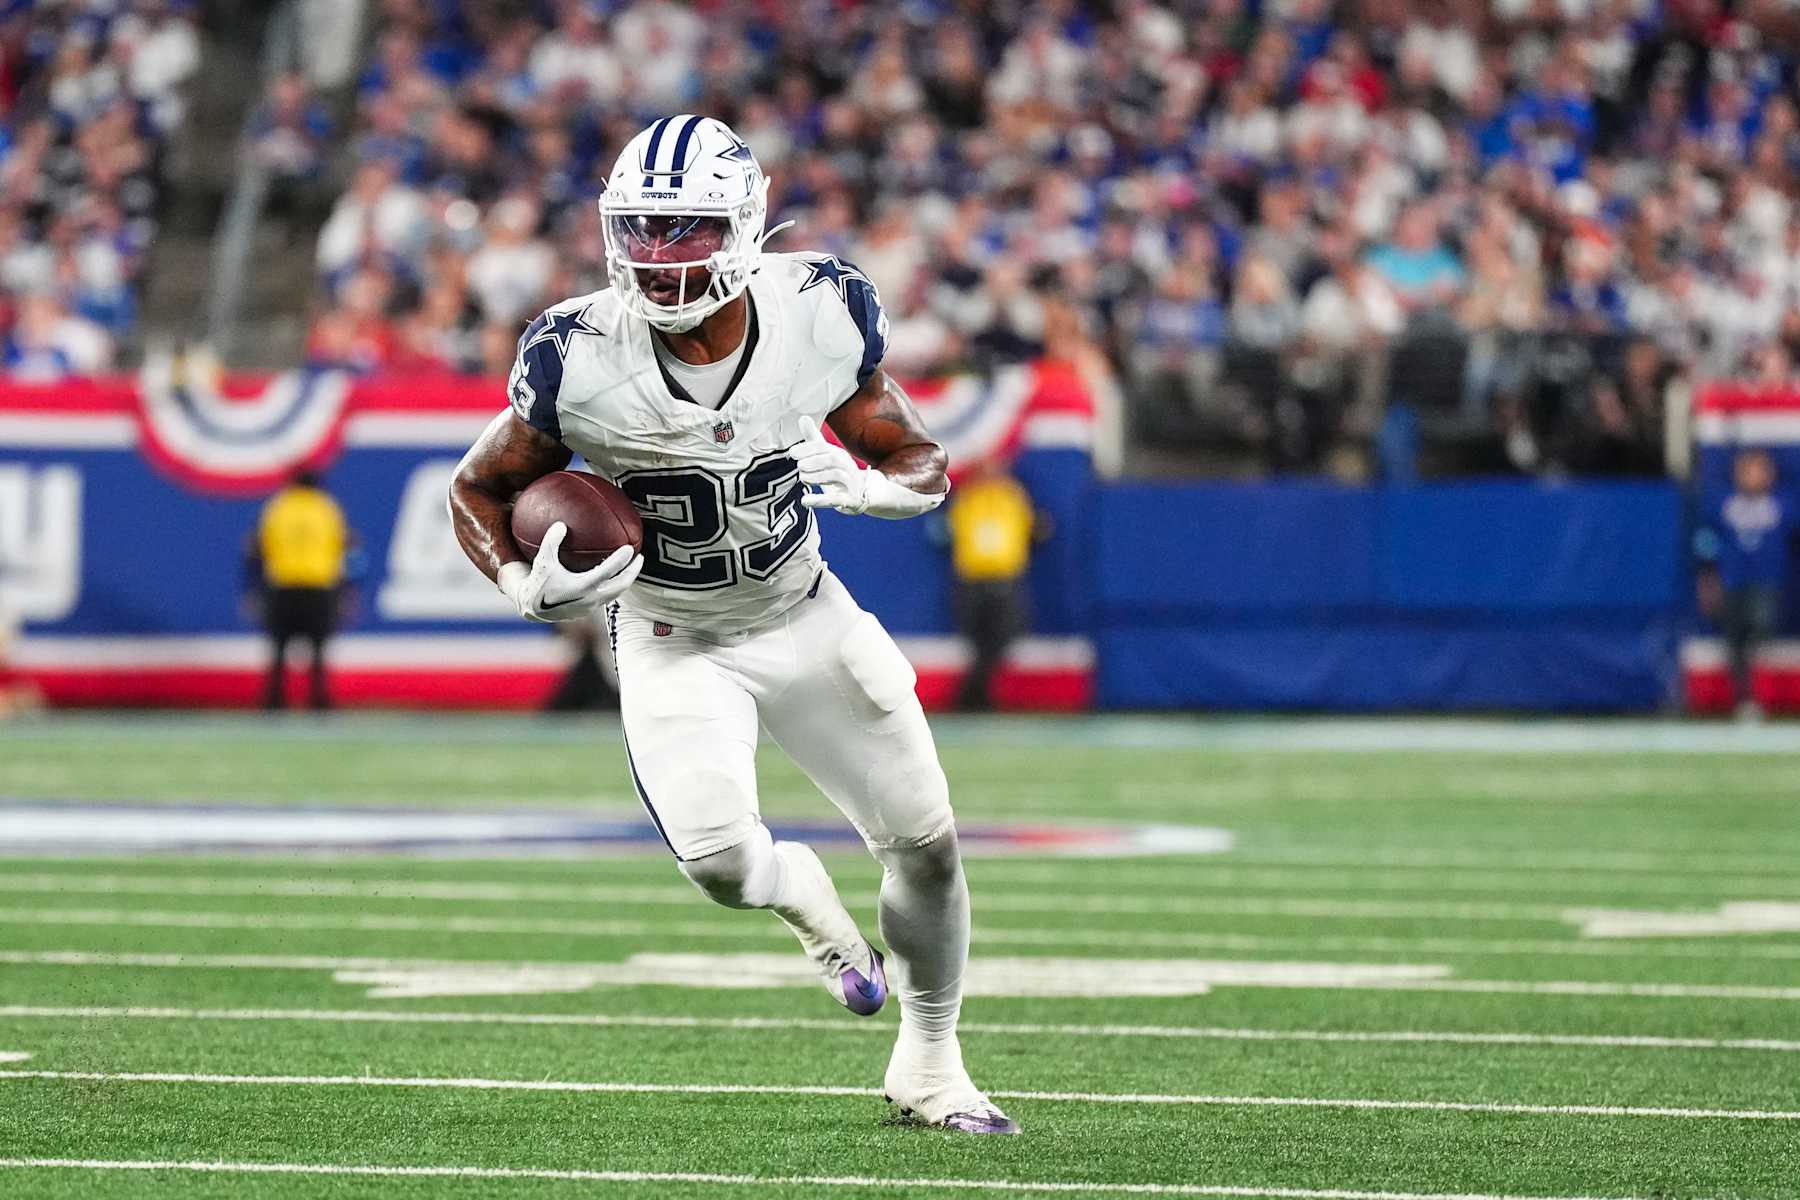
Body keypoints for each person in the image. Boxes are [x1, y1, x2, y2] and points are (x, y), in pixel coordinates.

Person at [447, 116, 1016, 1135]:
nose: (662, 259)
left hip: (805, 616)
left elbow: (920, 459)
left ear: (746, 224)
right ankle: (803, 898)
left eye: (688, 228)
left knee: (927, 843)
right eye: (644, 230)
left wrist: (875, 489)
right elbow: (480, 490)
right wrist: (520, 585)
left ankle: (931, 1060)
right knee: (717, 864)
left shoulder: (819, 310)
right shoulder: (574, 351)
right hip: (672, 635)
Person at [1698, 449, 1794, 720]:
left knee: (1762, 622)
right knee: (1734, 641)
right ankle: (1745, 697)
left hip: (1767, 579)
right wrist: (1707, 574)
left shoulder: (1782, 504)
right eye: (1749, 470)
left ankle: (1757, 688)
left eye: (1761, 470)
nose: (1756, 476)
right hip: (1732, 579)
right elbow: (1706, 539)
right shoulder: (1724, 503)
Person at [944, 460, 1039, 710]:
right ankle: (975, 695)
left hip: (1004, 578)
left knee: (1002, 637)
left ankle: (973, 694)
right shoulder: (969, 498)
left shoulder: (1011, 498)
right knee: (977, 638)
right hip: (974, 578)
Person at [253, 468, 349, 710]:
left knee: (278, 649)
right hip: (318, 586)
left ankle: (274, 701)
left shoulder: (278, 508)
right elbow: (344, 549)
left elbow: (259, 548)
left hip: (283, 585)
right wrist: (345, 591)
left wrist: (254, 588)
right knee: (318, 650)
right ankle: (319, 701)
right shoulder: (326, 509)